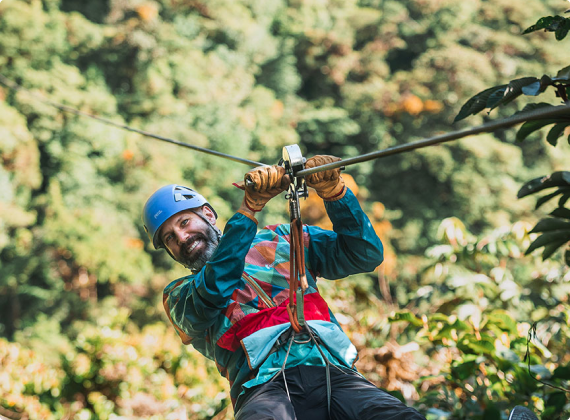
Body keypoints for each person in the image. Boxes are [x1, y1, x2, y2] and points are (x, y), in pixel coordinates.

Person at [142, 155, 425, 420]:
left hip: (331, 371)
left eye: (185, 222)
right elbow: (216, 287)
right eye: (169, 238)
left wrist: (335, 193)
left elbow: (365, 253)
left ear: (208, 214)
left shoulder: (282, 239)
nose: (182, 237)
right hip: (262, 387)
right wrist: (248, 211)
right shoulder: (179, 295)